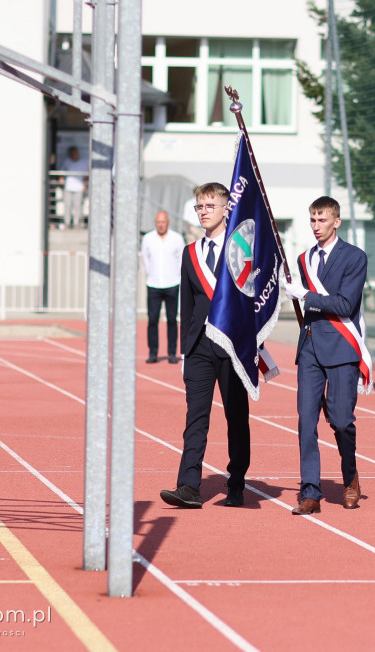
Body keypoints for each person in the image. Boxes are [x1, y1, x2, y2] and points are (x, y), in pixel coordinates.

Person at [159, 183, 250, 509]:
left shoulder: (241, 249)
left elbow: (252, 301)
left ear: (226, 208)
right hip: (199, 346)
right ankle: (189, 486)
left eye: (210, 205)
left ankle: (236, 484)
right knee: (195, 417)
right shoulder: (190, 253)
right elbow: (187, 305)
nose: (203, 211)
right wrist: (184, 350)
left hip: (232, 344)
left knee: (236, 418)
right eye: (199, 206)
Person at [283, 197, 370, 515]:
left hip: (342, 348)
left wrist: (306, 295)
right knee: (307, 419)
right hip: (309, 348)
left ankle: (350, 477)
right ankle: (310, 491)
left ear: (337, 221)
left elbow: (346, 305)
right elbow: (309, 305)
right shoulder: (303, 259)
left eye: (322, 220)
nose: (316, 226)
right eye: (312, 220)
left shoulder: (355, 257)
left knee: (342, 420)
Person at [141, 210, 184, 364]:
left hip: (172, 283)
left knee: (172, 319)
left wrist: (176, 276)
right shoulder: (147, 239)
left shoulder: (177, 239)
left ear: (168, 222)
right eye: (158, 222)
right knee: (153, 319)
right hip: (153, 284)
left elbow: (181, 259)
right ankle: (153, 353)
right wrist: (151, 274)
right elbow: (146, 259)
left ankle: (172, 353)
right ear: (155, 223)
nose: (161, 225)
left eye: (163, 222)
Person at [60, 146, 88, 229]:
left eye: (75, 152)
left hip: (78, 187)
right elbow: (61, 171)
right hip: (68, 187)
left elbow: (86, 174)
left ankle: (77, 224)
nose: (74, 154)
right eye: (72, 152)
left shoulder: (83, 163)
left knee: (78, 206)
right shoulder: (67, 162)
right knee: (67, 205)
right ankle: (67, 223)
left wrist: (84, 184)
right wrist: (61, 180)